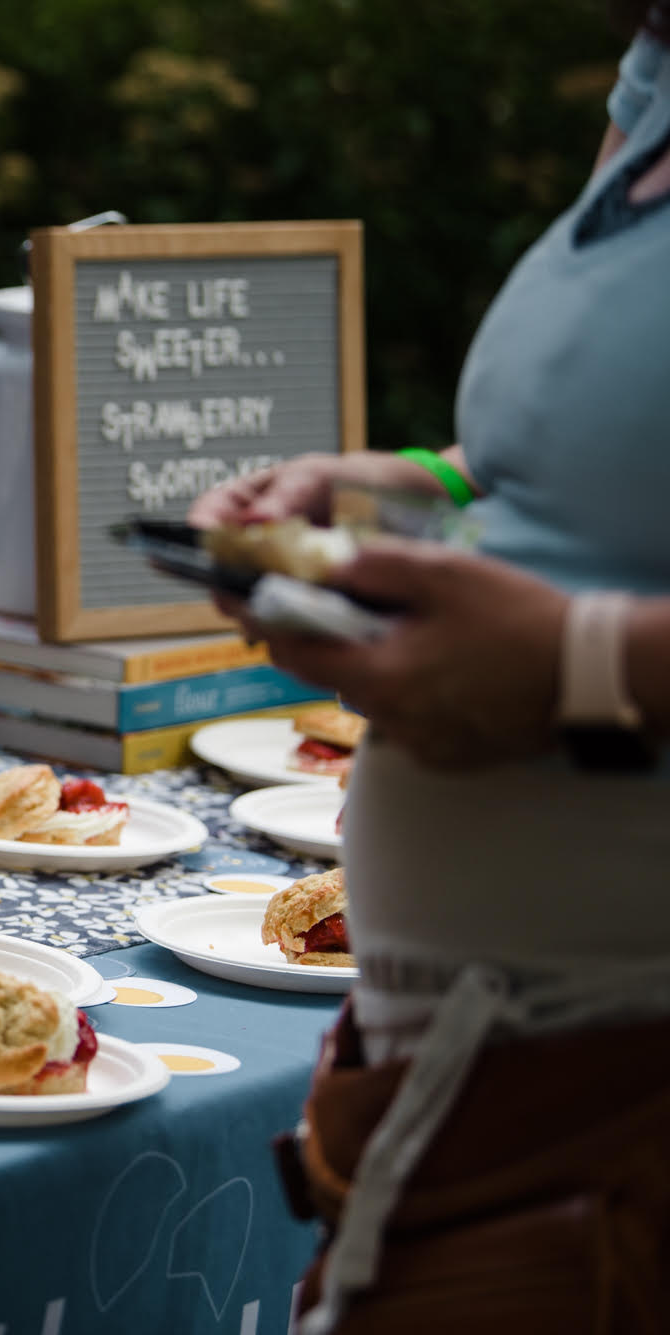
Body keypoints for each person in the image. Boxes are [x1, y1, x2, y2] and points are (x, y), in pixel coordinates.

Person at [189, 4, 670, 1329]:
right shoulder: (657, 77)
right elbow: (591, 467)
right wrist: (412, 487)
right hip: (480, 1082)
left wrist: (583, 664)